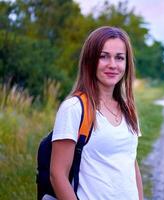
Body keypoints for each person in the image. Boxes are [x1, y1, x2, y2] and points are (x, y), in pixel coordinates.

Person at [49, 26, 143, 200]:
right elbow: (57, 174)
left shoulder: (128, 108)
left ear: (127, 63)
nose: (112, 65)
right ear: (89, 60)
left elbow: (131, 162)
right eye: (103, 56)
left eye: (120, 58)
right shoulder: (74, 108)